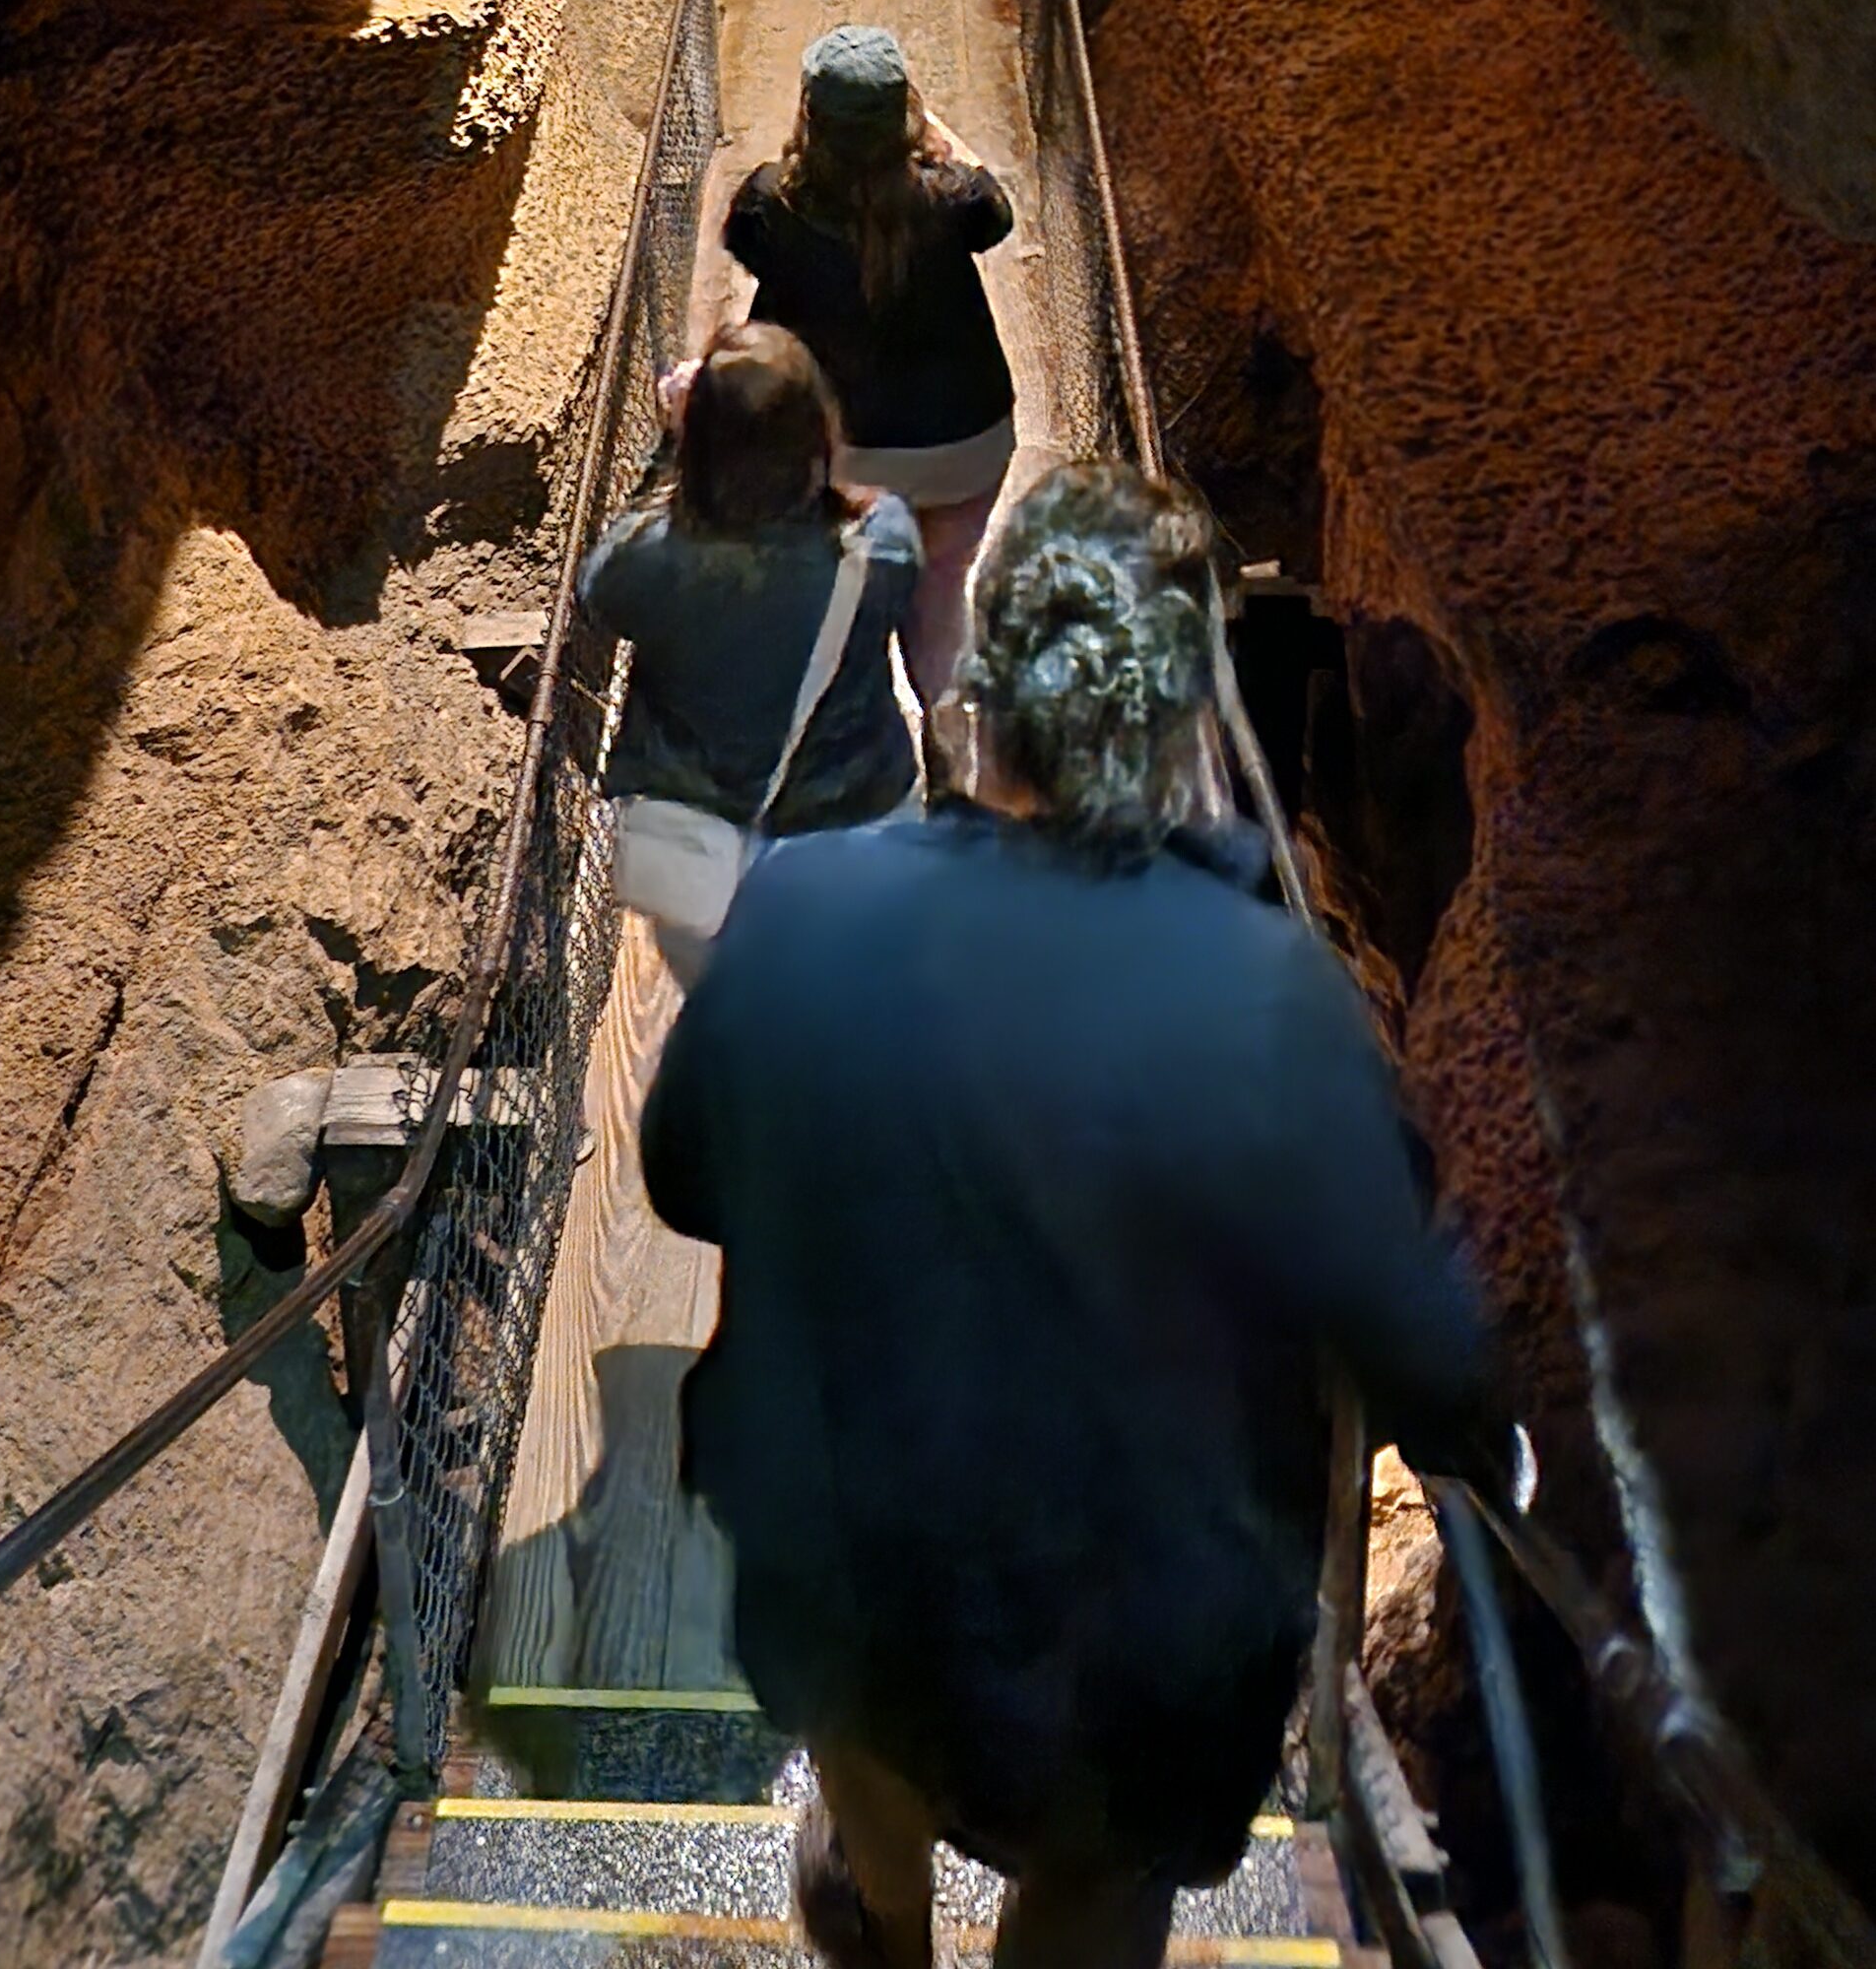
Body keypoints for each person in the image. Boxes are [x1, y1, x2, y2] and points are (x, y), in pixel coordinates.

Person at [641, 463, 1504, 1969]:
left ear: (979, 672)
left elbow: (683, 1176)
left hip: (859, 1561)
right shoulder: (1268, 998)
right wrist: (1490, 1445)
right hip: (1139, 1637)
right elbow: (1416, 1333)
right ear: (1183, 716)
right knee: (1105, 1869)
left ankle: (877, 1901)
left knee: (866, 1671)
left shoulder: (801, 912)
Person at [580, 326, 923, 988]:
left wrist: (676, 446)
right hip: (857, 829)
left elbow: (600, 587)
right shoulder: (880, 543)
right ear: (819, 432)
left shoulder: (656, 562)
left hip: (706, 860)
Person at [723, 27, 1014, 709]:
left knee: (844, 598)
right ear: (903, 114)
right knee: (940, 590)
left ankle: (862, 745)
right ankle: (951, 739)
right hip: (962, 443)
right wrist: (935, 137)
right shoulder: (950, 198)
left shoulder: (771, 203)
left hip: (837, 456)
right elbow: (994, 211)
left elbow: (751, 247)